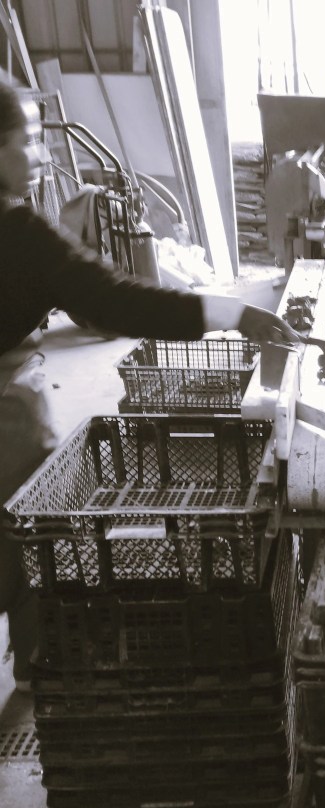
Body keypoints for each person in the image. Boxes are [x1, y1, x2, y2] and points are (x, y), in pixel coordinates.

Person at [0, 79, 292, 690]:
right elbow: (115, 301)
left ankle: (33, 659)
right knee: (35, 525)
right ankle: (39, 667)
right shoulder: (21, 233)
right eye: (26, 140)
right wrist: (233, 314)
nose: (42, 154)